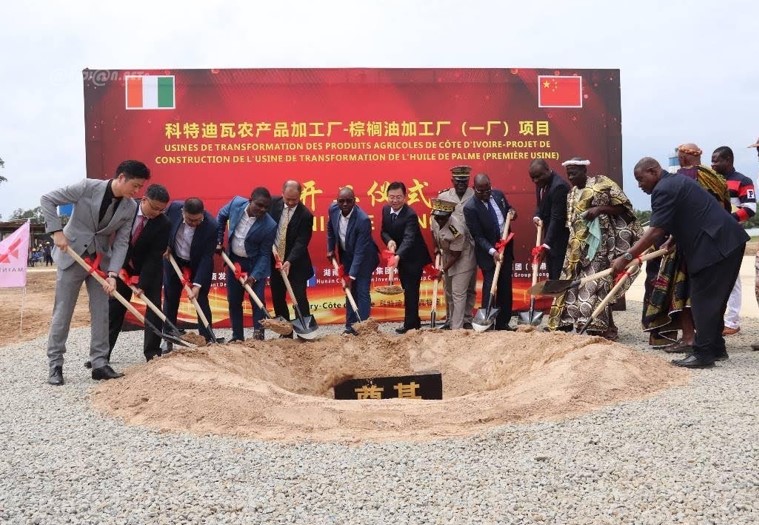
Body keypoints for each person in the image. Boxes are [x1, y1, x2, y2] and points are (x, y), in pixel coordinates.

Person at [613, 157, 748, 368]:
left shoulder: (663, 189)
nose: (639, 185)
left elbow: (655, 230)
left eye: (641, 179)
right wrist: (674, 239)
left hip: (715, 245)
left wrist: (627, 257)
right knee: (716, 299)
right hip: (729, 241)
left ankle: (703, 354)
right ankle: (716, 348)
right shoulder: (676, 183)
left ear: (653, 171)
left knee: (702, 299)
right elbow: (688, 212)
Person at [40, 160, 150, 385]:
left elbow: (121, 242)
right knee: (63, 312)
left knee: (102, 313)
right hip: (72, 255)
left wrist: (112, 273)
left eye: (140, 188)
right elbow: (47, 199)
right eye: (135, 186)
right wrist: (56, 231)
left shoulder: (130, 207)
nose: (137, 191)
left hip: (100, 262)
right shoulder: (87, 187)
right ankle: (55, 365)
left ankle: (99, 363)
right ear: (121, 178)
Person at [642, 144, 730, 351]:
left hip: (690, 246)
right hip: (714, 242)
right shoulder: (716, 177)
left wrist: (628, 255)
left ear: (682, 159)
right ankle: (711, 342)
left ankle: (691, 339)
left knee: (682, 292)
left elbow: (683, 213)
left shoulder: (680, 178)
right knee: (712, 294)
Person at [546, 157, 642, 339]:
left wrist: (600, 209)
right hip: (576, 247)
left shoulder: (602, 183)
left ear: (584, 170)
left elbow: (623, 208)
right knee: (573, 286)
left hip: (600, 245)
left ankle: (599, 327)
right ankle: (596, 326)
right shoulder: (572, 193)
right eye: (568, 174)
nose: (571, 178)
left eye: (574, 173)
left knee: (596, 285)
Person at [102, 184, 170, 366]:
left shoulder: (164, 223)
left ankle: (152, 354)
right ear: (144, 199)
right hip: (122, 266)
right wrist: (119, 268)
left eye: (161, 209)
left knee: (154, 309)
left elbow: (155, 256)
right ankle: (102, 355)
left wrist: (143, 284)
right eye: (154, 207)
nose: (157, 212)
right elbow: (116, 241)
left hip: (150, 271)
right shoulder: (127, 210)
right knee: (114, 309)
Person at [216, 187, 277, 342]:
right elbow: (221, 217)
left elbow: (264, 254)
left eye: (266, 207)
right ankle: (237, 337)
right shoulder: (236, 203)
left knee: (257, 301)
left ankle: (258, 337)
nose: (262, 210)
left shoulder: (269, 225)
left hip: (255, 264)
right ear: (250, 200)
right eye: (259, 205)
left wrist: (254, 276)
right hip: (234, 262)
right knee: (234, 301)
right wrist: (218, 240)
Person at [711, 146, 756, 336]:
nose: (713, 165)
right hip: (713, 236)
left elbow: (750, 209)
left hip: (732, 236)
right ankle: (716, 320)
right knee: (715, 278)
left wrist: (727, 220)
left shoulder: (743, 181)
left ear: (728, 160)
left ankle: (732, 321)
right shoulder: (712, 181)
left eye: (717, 161)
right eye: (712, 161)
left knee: (733, 279)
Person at [463, 173, 517, 331]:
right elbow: (477, 236)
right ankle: (487, 323)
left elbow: (509, 210)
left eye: (488, 189)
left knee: (505, 287)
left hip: (506, 249)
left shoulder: (498, 195)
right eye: (481, 191)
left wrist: (512, 212)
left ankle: (503, 323)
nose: (486, 193)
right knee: (490, 287)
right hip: (489, 254)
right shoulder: (470, 208)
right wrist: (493, 251)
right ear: (474, 189)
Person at [163, 197, 218, 346]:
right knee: (170, 298)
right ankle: (168, 337)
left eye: (197, 220)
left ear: (203, 213)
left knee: (201, 300)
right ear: (183, 212)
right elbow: (164, 226)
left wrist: (197, 284)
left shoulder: (211, 226)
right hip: (175, 260)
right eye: (190, 220)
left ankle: (206, 339)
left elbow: (207, 257)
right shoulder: (174, 208)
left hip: (197, 263)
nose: (194, 224)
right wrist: (166, 245)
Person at [326, 187, 380, 335]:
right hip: (347, 256)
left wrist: (351, 276)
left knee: (361, 290)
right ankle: (350, 326)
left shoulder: (363, 220)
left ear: (354, 201)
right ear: (337, 201)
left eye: (348, 201)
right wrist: (330, 248)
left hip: (364, 258)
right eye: (341, 201)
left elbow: (360, 251)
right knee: (349, 291)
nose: (344, 204)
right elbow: (330, 228)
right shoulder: (333, 209)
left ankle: (363, 328)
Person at [381, 181, 433, 333]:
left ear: (405, 197)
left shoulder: (410, 215)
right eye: (391, 197)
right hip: (400, 256)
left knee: (411, 290)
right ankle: (414, 321)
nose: (395, 200)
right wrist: (389, 241)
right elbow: (383, 231)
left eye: (398, 197)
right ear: (387, 197)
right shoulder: (385, 210)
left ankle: (410, 325)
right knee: (406, 288)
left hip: (413, 257)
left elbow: (409, 238)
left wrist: (398, 256)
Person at [269, 181, 314, 337]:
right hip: (275, 260)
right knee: (277, 296)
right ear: (282, 193)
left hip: (296, 263)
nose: (289, 203)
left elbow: (302, 242)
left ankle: (304, 331)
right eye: (287, 199)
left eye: (294, 200)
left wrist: (289, 260)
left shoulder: (306, 215)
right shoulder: (272, 204)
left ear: (300, 196)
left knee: (299, 297)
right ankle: (286, 331)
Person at [438, 165, 477, 328]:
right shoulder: (444, 196)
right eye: (458, 180)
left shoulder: (475, 195)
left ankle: (465, 319)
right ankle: (451, 319)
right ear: (452, 180)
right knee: (449, 287)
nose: (461, 183)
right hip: (449, 248)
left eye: (465, 180)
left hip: (469, 247)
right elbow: (436, 223)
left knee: (467, 287)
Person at [431, 197, 477, 330]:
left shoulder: (456, 229)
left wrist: (442, 271)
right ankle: (451, 322)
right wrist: (435, 247)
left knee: (458, 293)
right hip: (447, 255)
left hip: (463, 258)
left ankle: (457, 329)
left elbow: (456, 255)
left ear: (449, 215)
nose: (439, 220)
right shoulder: (434, 219)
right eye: (437, 217)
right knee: (449, 291)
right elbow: (433, 232)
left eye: (442, 218)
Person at [528, 159, 570, 279]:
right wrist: (537, 216)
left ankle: (559, 298)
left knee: (559, 279)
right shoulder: (540, 183)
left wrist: (545, 246)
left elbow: (557, 219)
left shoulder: (559, 187)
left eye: (538, 176)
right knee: (552, 276)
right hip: (550, 240)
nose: (535, 180)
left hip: (561, 241)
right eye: (533, 178)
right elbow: (541, 205)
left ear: (547, 170)